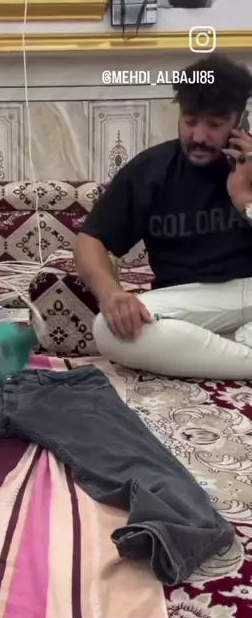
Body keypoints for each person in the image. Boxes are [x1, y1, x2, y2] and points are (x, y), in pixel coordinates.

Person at [74, 53, 252, 380]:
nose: (199, 136)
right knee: (110, 329)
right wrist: (111, 293)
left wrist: (244, 198)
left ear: (240, 120)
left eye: (214, 125)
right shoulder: (151, 170)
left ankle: (212, 349)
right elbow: (90, 241)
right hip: (189, 303)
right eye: (190, 121)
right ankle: (236, 349)